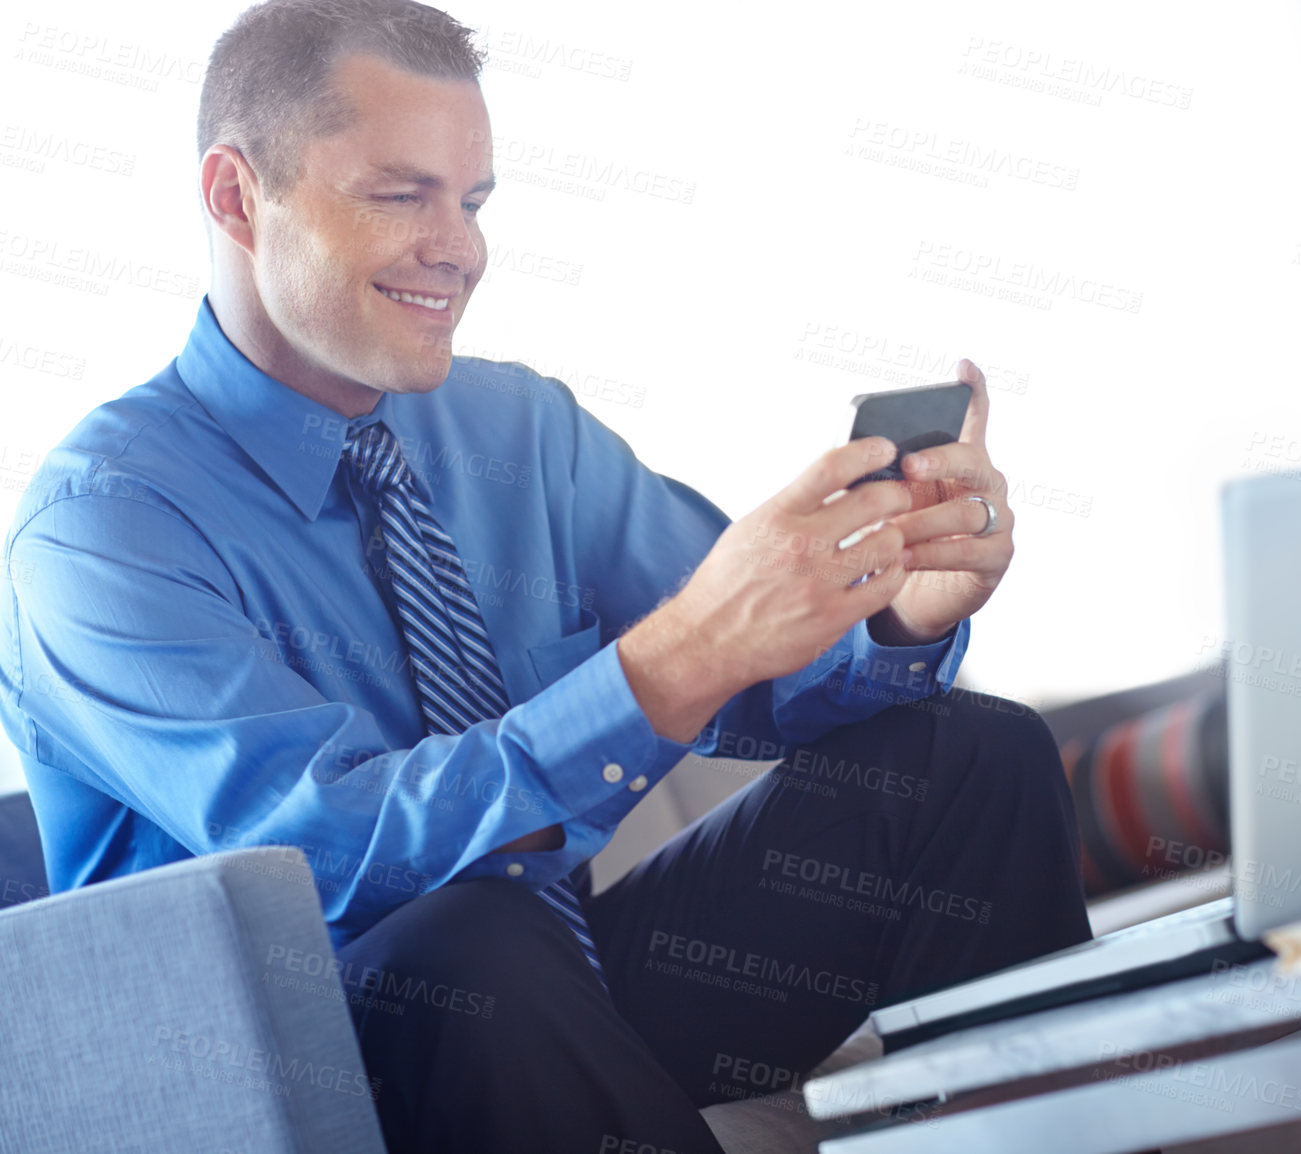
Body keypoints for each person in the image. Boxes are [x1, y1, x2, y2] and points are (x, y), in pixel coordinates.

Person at [0, 1, 1091, 1149]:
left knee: (969, 754)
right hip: (302, 1074)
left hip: (550, 989)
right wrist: (678, 656)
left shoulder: (515, 428)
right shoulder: (101, 528)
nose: (459, 247)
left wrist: (898, 617)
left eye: (470, 203)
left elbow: (762, 674)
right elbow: (319, 857)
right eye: (398, 194)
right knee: (468, 941)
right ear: (236, 195)